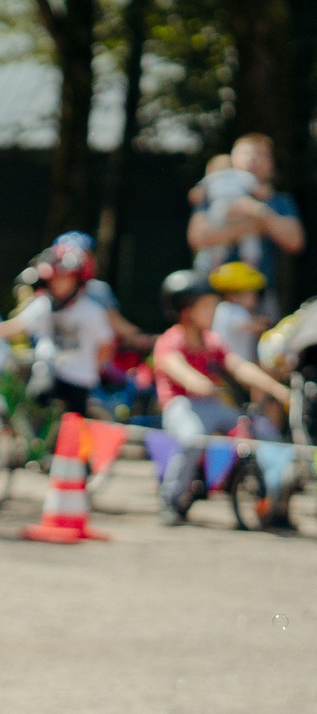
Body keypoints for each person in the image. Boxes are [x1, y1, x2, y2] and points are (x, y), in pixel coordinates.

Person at [154, 269, 290, 525]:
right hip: (183, 405)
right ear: (186, 310)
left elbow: (238, 366)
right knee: (192, 437)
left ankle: (276, 500)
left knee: (261, 429)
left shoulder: (212, 341)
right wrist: (195, 381)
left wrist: (275, 388)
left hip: (213, 404)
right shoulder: (171, 340)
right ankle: (171, 499)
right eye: (207, 307)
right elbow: (173, 364)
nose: (213, 312)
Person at [0, 239, 116, 420]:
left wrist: (94, 368)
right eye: (53, 279)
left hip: (79, 378)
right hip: (47, 372)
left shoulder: (92, 312)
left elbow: (106, 344)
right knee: (34, 394)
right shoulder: (44, 304)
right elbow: (16, 325)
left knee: (73, 427)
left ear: (78, 281)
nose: (57, 285)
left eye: (64, 279)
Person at [188, 133, 302, 318]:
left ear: (271, 163)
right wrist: (253, 225)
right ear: (232, 160)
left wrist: (258, 212)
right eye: (246, 153)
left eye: (261, 155)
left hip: (258, 296)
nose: (253, 160)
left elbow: (295, 241)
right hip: (213, 294)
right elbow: (198, 237)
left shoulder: (280, 201)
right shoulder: (212, 193)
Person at [209, 259, 270, 375]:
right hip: (233, 369)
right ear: (232, 296)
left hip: (229, 367)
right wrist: (268, 325)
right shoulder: (233, 309)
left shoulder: (222, 308)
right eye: (250, 293)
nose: (255, 297)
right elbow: (245, 324)